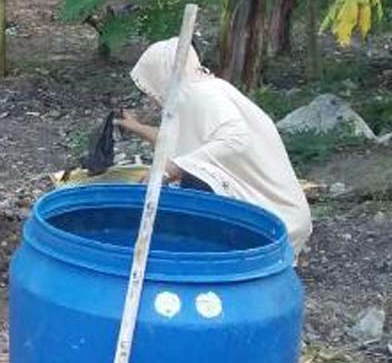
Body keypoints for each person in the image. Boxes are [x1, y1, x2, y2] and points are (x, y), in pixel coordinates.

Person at [115, 38, 312, 253]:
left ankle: (205, 253)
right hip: (278, 215)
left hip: (276, 220)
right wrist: (136, 127)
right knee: (191, 169)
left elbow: (235, 139)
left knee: (196, 175)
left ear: (162, 77)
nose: (152, 97)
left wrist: (172, 168)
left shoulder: (203, 94)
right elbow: (176, 144)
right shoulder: (194, 93)